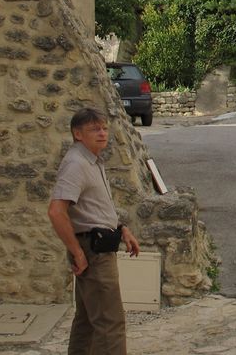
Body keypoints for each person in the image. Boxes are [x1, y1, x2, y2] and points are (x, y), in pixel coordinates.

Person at [48, 108, 140, 355]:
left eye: (104, 128)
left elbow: (94, 210)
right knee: (110, 323)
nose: (102, 133)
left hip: (96, 245)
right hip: (93, 252)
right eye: (94, 129)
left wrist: (121, 229)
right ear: (78, 134)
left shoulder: (91, 160)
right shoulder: (77, 164)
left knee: (88, 319)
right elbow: (57, 212)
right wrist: (77, 252)